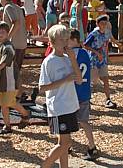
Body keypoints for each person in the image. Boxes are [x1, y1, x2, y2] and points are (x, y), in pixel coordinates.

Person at [39, 24, 82, 168]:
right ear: (51, 42)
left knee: (63, 144)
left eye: (66, 39)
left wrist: (73, 59)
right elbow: (42, 87)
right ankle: (44, 165)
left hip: (69, 105)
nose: (65, 42)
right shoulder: (49, 62)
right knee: (66, 144)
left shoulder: (67, 58)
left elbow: (79, 79)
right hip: (58, 107)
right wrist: (65, 80)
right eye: (61, 40)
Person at [68, 29, 98, 161]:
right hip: (84, 92)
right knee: (83, 121)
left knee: (68, 120)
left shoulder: (70, 54)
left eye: (67, 40)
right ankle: (92, 146)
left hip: (73, 91)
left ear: (74, 40)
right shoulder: (85, 53)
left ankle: (66, 145)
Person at [84, 15, 117, 109]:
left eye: (105, 23)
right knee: (91, 81)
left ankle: (108, 99)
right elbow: (85, 45)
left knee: (105, 79)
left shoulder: (107, 32)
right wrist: (96, 52)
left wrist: (107, 55)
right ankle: (87, 100)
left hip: (103, 60)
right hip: (93, 60)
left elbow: (109, 42)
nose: (104, 25)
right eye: (102, 23)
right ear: (97, 24)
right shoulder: (93, 34)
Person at [0, 0, 28, 100]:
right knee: (16, 70)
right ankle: (19, 92)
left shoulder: (8, 7)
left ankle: (18, 93)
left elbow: (15, 23)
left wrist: (7, 38)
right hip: (22, 42)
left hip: (14, 44)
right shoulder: (18, 7)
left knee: (12, 70)